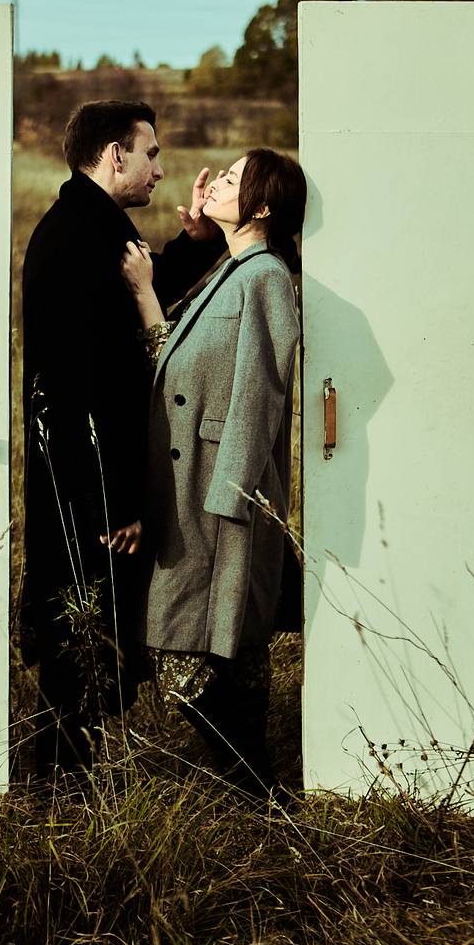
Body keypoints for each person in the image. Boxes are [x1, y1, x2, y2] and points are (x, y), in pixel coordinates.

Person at [21, 100, 225, 778]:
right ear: (116, 155)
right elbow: (87, 386)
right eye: (151, 154)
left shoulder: (90, 224)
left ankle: (65, 784)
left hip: (85, 483)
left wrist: (197, 239)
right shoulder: (81, 236)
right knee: (82, 641)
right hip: (89, 490)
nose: (159, 171)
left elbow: (148, 283)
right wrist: (114, 503)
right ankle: (62, 791)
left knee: (90, 639)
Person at [120, 147, 306, 800]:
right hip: (196, 488)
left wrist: (231, 495)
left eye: (231, 178)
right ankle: (262, 791)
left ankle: (255, 786)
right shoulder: (234, 269)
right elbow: (173, 361)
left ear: (262, 205)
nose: (215, 181)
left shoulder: (266, 277)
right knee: (234, 648)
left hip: (218, 494)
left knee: (184, 651)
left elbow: (261, 393)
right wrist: (154, 284)